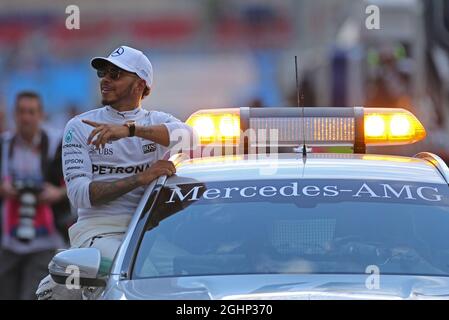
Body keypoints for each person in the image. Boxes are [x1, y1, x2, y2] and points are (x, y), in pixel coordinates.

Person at [36, 45, 195, 299]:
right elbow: (79, 195)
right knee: (136, 271)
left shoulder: (155, 121)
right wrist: (141, 178)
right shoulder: (79, 126)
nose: (106, 80)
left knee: (186, 278)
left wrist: (131, 130)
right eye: (103, 74)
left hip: (147, 233)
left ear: (140, 84)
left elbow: (191, 137)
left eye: (116, 74)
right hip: (97, 231)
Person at [0, 91, 67, 300]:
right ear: (14, 115)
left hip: (46, 239)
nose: (26, 118)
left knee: (31, 296)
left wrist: (56, 193)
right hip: (9, 240)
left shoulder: (56, 144)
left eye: (31, 112)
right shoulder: (4, 145)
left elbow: (75, 184)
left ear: (41, 115)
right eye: (21, 112)